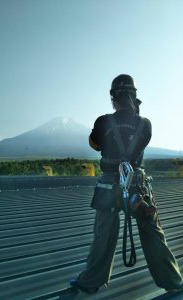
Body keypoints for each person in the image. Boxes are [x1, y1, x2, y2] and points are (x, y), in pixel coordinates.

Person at [70, 74, 183, 294]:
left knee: (103, 234)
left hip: (108, 186)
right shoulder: (144, 124)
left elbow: (94, 144)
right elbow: (140, 139)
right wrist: (134, 114)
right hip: (137, 186)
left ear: (113, 97)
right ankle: (173, 282)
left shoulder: (103, 121)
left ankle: (91, 281)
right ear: (135, 96)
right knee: (151, 231)